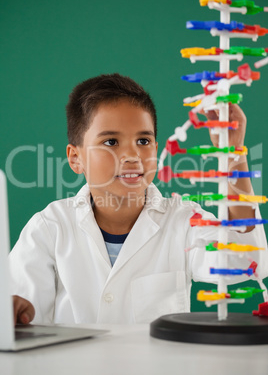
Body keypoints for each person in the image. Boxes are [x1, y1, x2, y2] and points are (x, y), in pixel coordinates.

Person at [10, 73, 268, 325]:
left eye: (143, 140)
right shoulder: (48, 229)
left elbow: (249, 260)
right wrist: (14, 312)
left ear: (156, 149)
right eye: (111, 141)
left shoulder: (184, 221)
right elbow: (23, 317)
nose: (132, 155)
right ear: (76, 158)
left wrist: (234, 152)